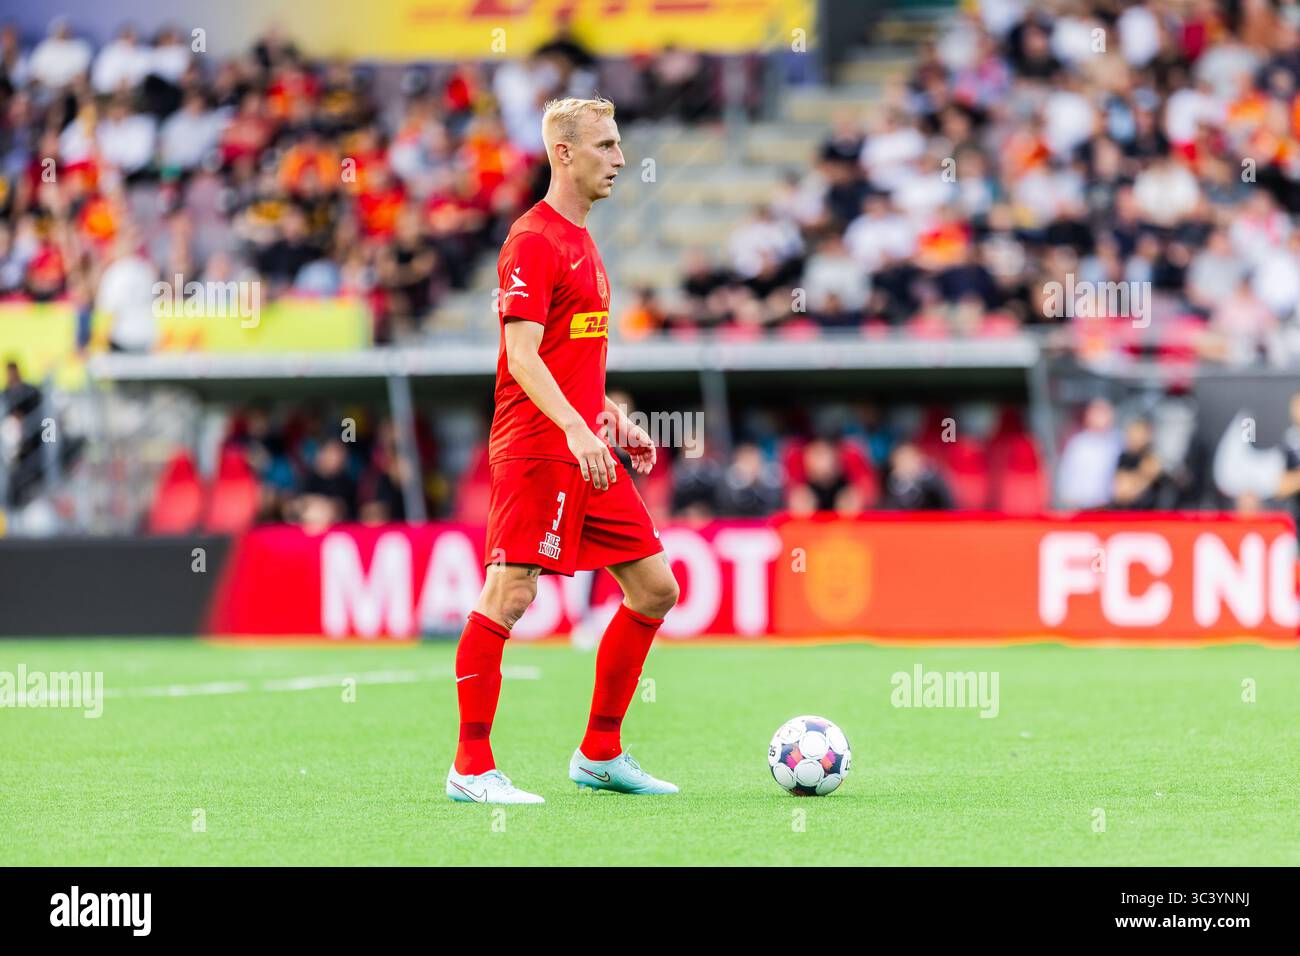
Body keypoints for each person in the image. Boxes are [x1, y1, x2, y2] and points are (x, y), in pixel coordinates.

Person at [447, 97, 680, 805]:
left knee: (655, 588)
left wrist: (607, 417)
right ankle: (471, 768)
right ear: (566, 154)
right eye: (607, 146)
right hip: (537, 448)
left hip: (584, 448)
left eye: (619, 144)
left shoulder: (585, 242)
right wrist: (577, 429)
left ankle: (600, 752)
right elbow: (521, 357)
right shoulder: (533, 239)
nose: (619, 158)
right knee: (510, 594)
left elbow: (564, 355)